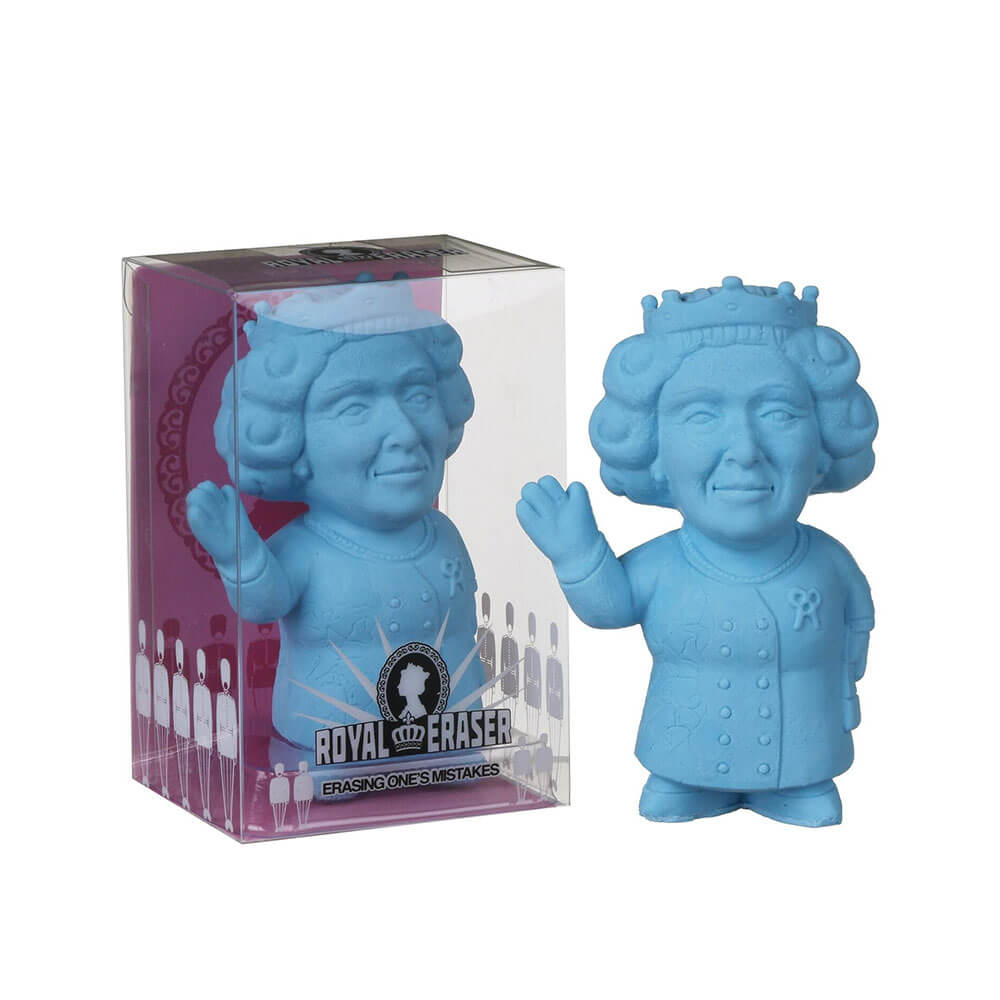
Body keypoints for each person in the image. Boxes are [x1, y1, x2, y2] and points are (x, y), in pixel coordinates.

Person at [518, 278, 877, 827]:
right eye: (703, 416)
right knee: (672, 790)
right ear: (654, 453)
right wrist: (577, 555)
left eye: (779, 414)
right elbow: (610, 608)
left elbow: (858, 624)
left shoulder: (829, 562)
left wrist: (849, 687)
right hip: (681, 750)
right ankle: (685, 783)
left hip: (805, 748)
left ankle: (799, 787)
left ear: (823, 447)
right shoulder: (665, 563)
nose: (745, 450)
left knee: (810, 790)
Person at [185, 276, 485, 767]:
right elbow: (265, 603)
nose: (404, 432)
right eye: (354, 407)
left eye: (418, 396)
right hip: (328, 746)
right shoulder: (308, 548)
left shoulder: (444, 534)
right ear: (291, 440)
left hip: (452, 736)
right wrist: (240, 556)